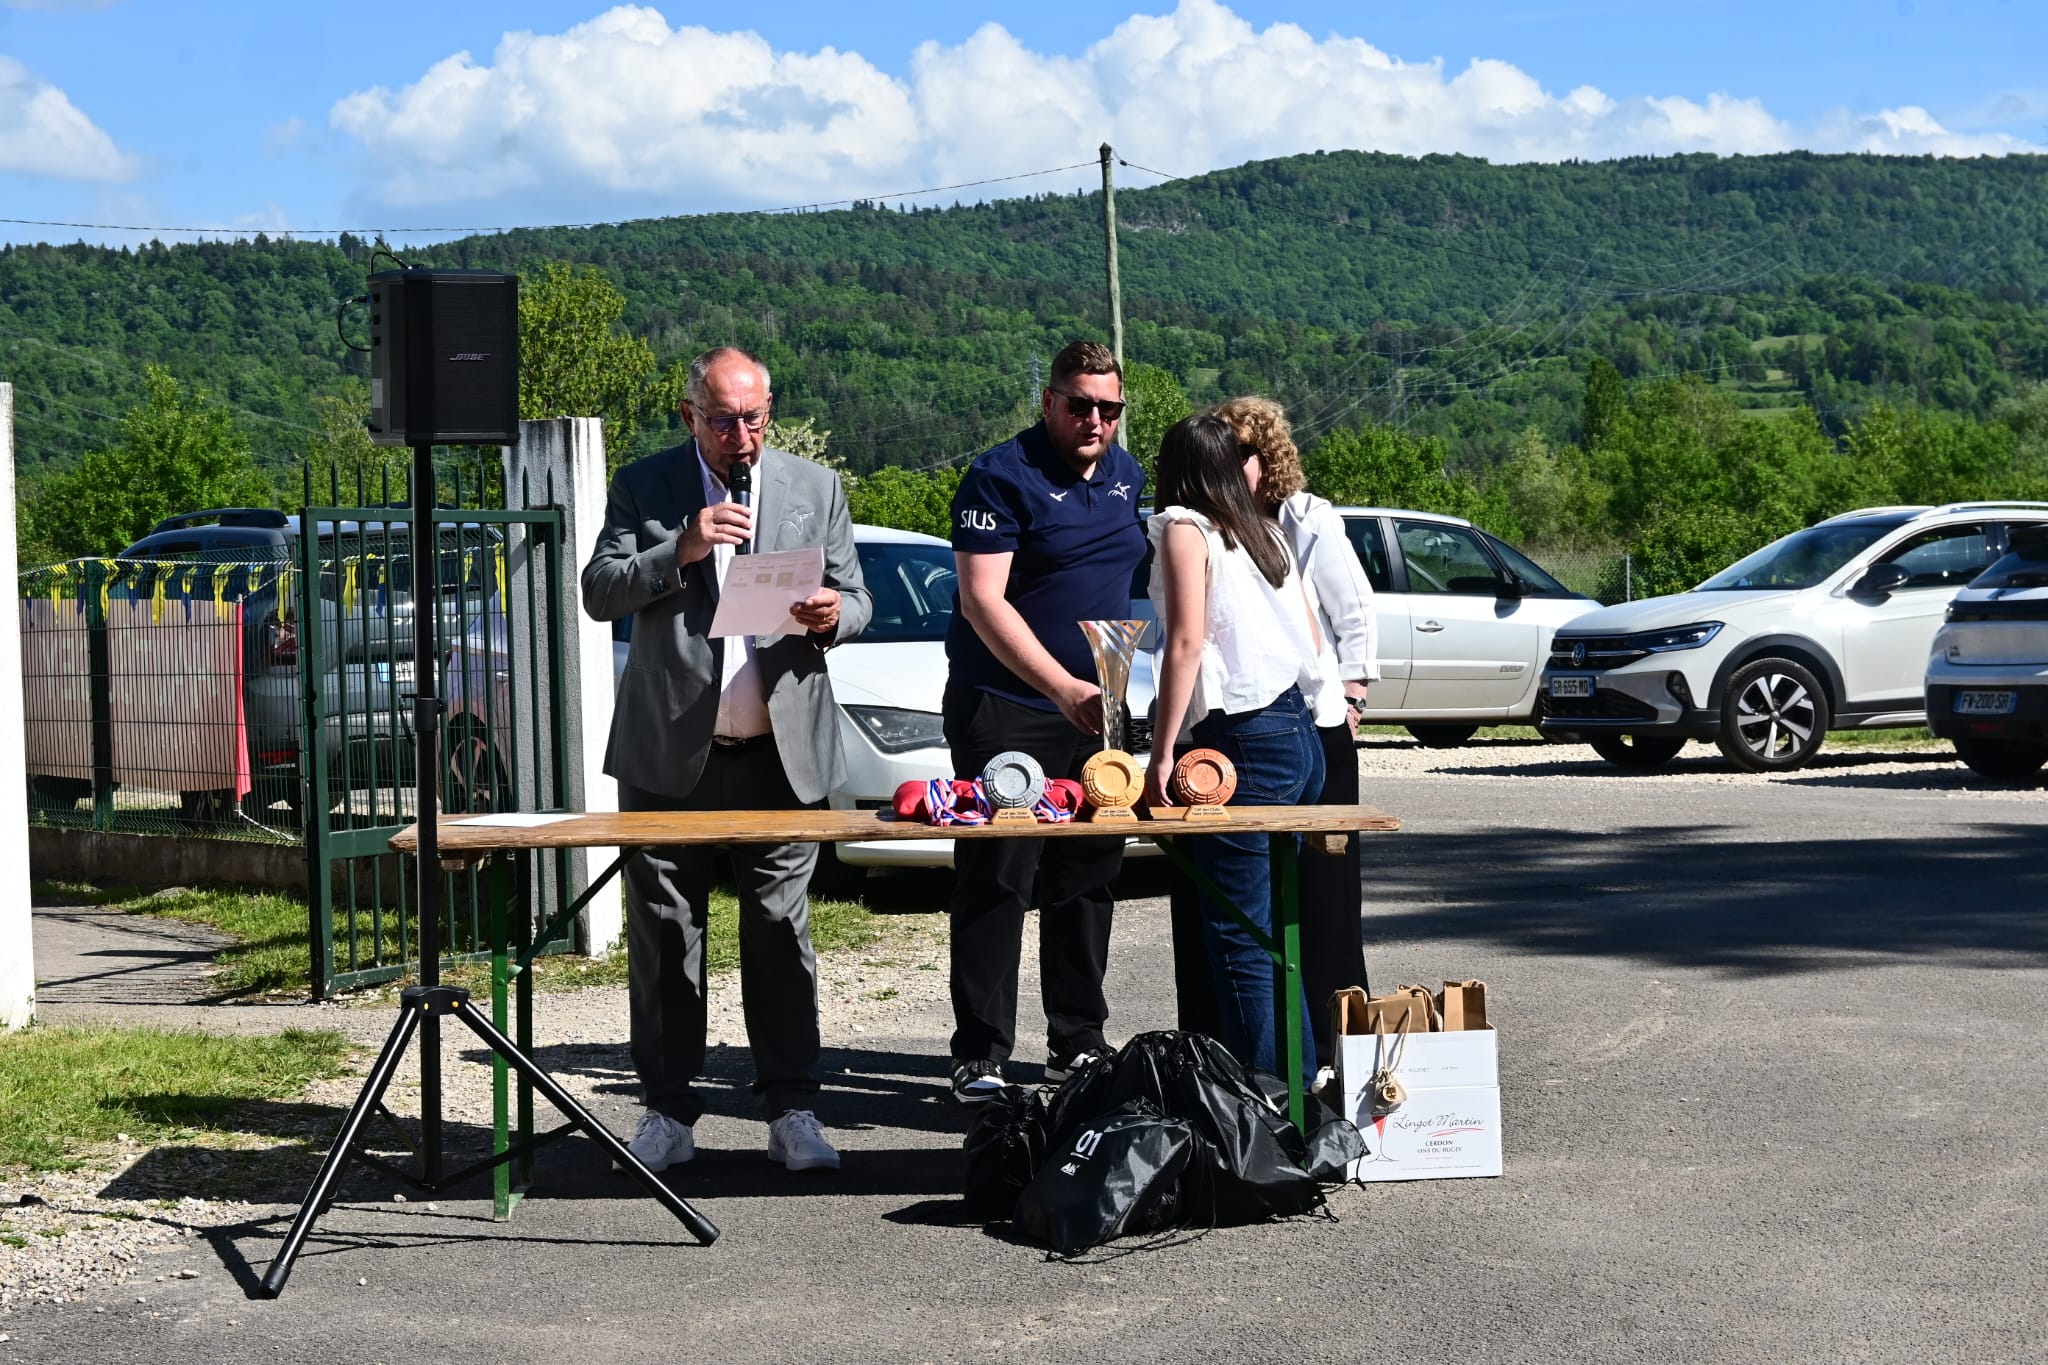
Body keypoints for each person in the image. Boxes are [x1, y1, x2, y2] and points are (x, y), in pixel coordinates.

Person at [580, 345, 871, 1173]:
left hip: (782, 751)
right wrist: (682, 545)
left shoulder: (816, 487)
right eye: (721, 421)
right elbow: (600, 589)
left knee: (780, 927)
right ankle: (668, 1111)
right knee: (667, 930)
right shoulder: (647, 485)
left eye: (753, 418)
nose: (739, 436)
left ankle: (792, 1107)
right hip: (673, 751)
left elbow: (859, 599)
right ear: (689, 417)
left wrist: (829, 615)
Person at [943, 339, 1149, 1103]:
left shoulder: (1129, 476)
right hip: (1011, 709)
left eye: (1110, 408)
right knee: (1001, 877)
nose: (1095, 419)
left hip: (1102, 709)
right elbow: (982, 600)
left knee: (1089, 877)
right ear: (1048, 402)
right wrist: (1064, 686)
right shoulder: (1001, 474)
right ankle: (981, 1055)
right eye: (1080, 405)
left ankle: (1078, 1043)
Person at [1144, 412, 1327, 1089]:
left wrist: (1162, 752)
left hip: (1241, 741)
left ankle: (1265, 1105)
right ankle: (1300, 1088)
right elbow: (1308, 637)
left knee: (1242, 940)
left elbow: (1186, 642)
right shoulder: (1261, 530)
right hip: (1296, 731)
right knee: (1277, 933)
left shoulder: (1184, 528)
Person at [1223, 395, 1377, 1066]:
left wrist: (1353, 694)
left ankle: (1342, 1048)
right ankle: (1267, 1051)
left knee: (1326, 899)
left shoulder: (1309, 520)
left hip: (1319, 727)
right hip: (1248, 726)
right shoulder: (1213, 524)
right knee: (1257, 900)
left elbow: (1356, 612)